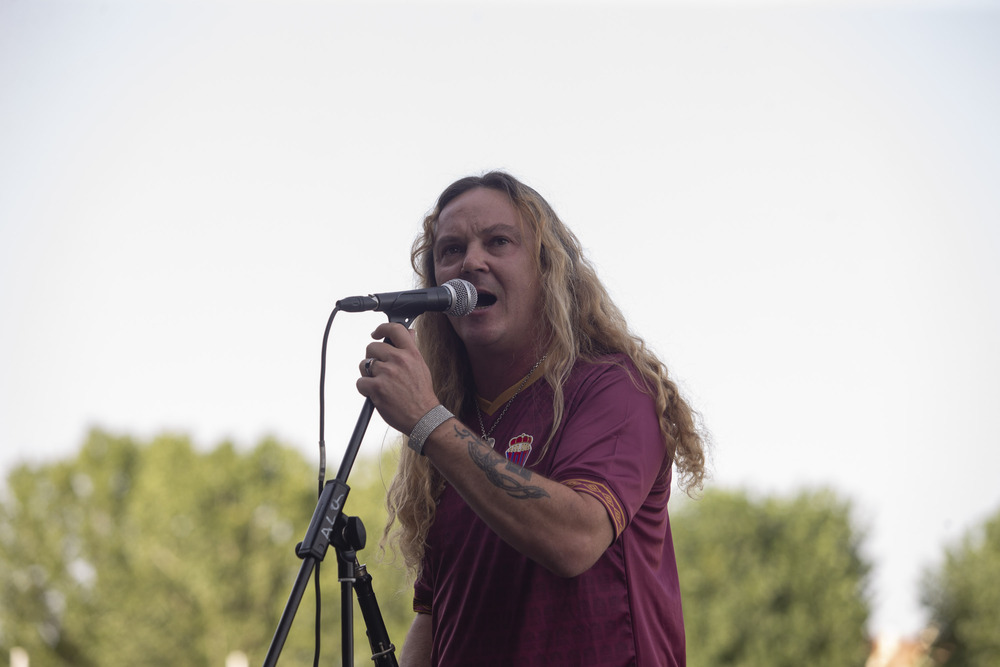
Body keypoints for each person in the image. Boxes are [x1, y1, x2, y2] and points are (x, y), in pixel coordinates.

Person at [356, 171, 707, 666]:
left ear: (547, 269)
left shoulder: (612, 387)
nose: (471, 261)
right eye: (450, 250)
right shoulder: (455, 419)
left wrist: (428, 421)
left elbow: (575, 539)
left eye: (498, 242)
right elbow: (437, 613)